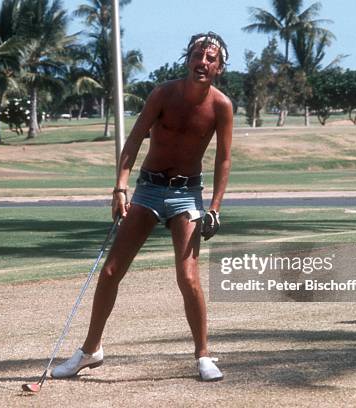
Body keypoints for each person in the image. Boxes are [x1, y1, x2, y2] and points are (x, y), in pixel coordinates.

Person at [53, 32, 233, 382]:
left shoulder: (221, 106)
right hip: (148, 189)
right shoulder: (163, 94)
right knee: (110, 272)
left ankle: (203, 356)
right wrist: (120, 187)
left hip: (187, 194)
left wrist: (215, 207)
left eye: (211, 59)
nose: (203, 62)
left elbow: (224, 160)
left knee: (189, 277)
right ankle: (90, 351)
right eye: (198, 54)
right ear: (188, 58)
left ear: (219, 68)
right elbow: (135, 138)